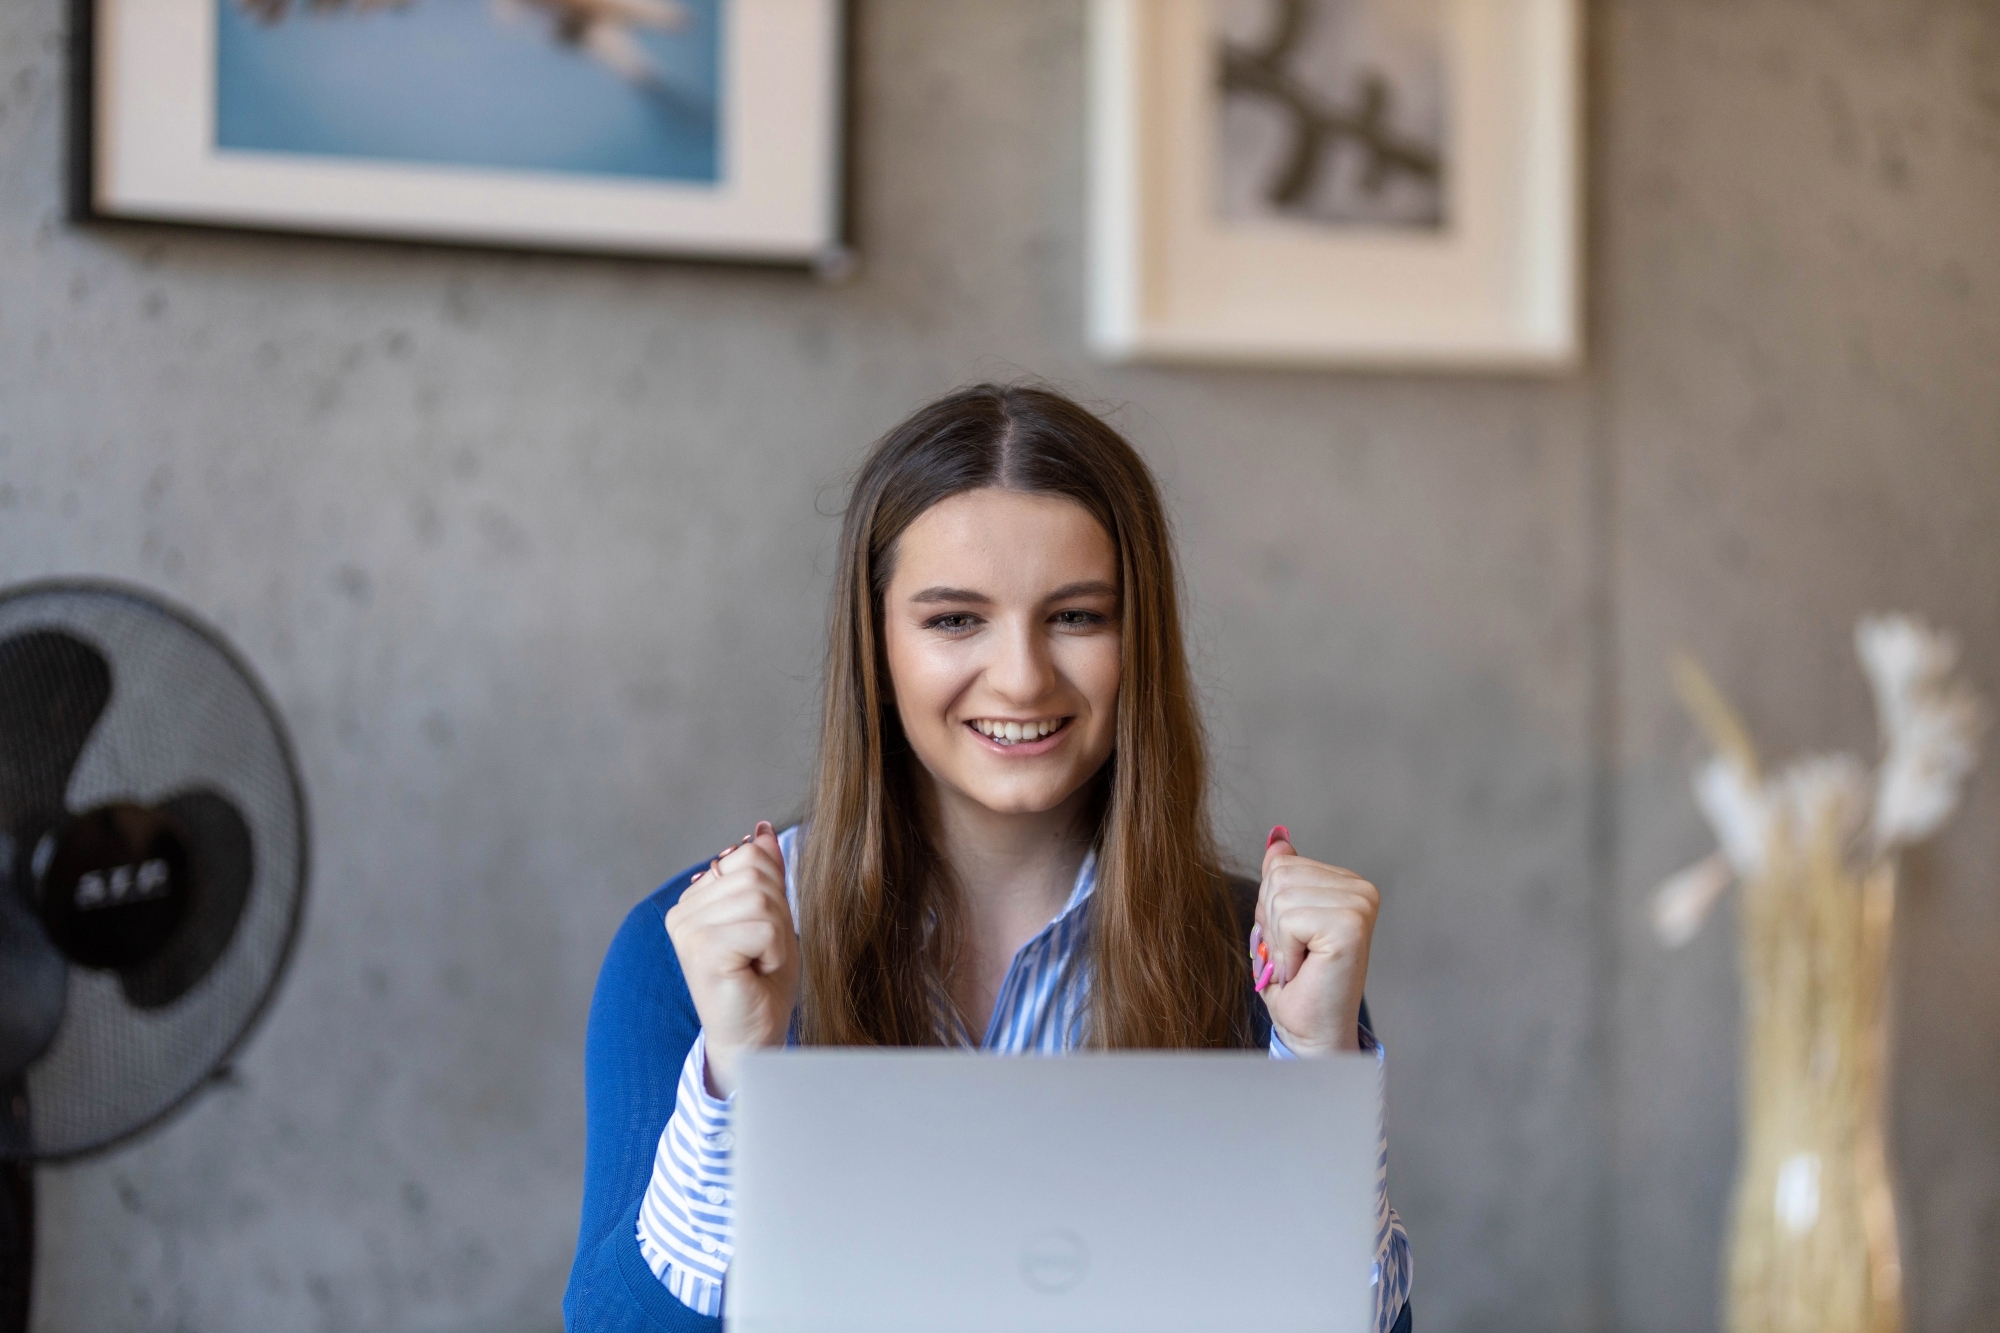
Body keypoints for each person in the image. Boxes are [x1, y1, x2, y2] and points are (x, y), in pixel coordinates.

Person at [564, 384, 1413, 1332]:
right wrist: (736, 1067)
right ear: (876, 647)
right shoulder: (688, 953)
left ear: (1142, 642)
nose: (1021, 676)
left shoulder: (1265, 961)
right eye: (955, 620)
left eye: (1078, 617)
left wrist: (1316, 1064)